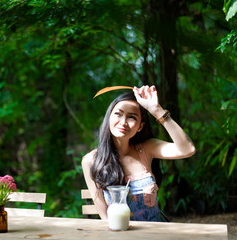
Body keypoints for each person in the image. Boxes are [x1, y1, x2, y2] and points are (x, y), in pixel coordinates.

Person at [82, 85, 196, 222]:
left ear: (140, 126)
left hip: (155, 232)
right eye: (118, 114)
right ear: (109, 118)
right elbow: (105, 217)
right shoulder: (91, 160)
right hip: (120, 234)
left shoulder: (147, 149)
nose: (123, 122)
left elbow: (187, 149)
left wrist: (157, 111)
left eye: (132, 117)